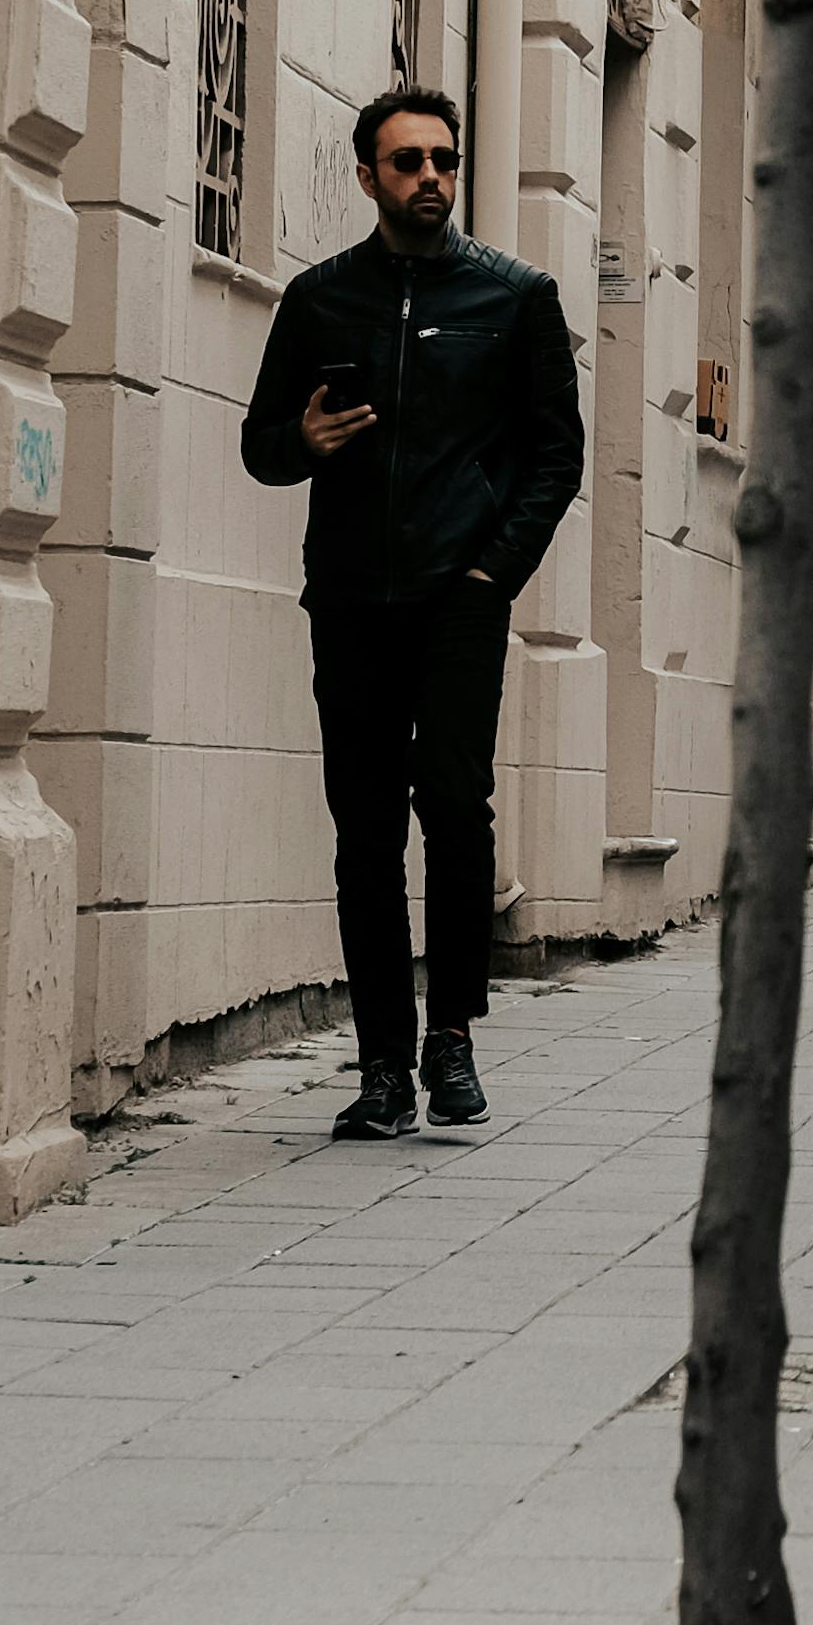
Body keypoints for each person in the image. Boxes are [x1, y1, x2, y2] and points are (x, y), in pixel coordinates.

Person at [242, 84, 585, 1143]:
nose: (430, 177)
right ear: (367, 177)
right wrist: (306, 443)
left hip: (457, 600)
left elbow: (554, 454)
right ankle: (384, 1064)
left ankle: (454, 1042)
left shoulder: (515, 297)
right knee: (363, 834)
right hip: (348, 598)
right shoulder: (319, 301)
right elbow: (259, 446)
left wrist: (493, 576)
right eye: (407, 163)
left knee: (456, 809)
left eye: (443, 160)